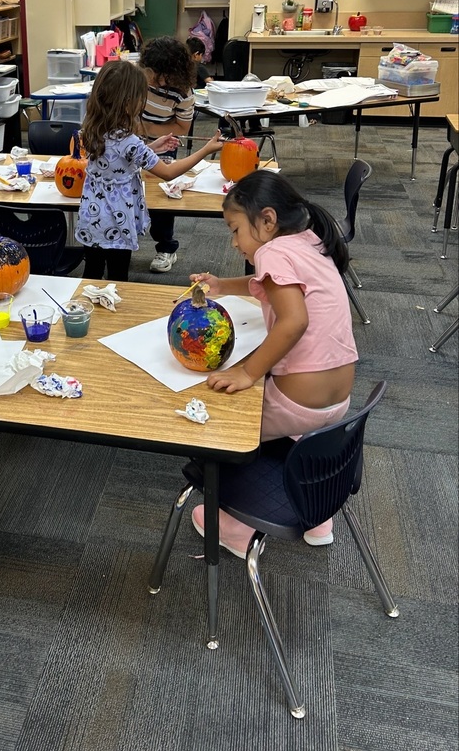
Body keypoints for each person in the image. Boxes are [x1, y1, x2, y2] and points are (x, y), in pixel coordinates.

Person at [188, 170, 358, 558]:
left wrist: (248, 372)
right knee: (290, 427)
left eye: (235, 230)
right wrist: (221, 285)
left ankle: (235, 527)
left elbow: (295, 320)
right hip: (338, 407)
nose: (234, 242)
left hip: (299, 404)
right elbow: (273, 287)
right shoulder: (308, 240)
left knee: (213, 419)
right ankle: (318, 516)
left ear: (267, 220)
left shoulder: (271, 251)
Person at [76, 60, 223, 281]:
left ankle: (86, 312)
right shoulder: (130, 141)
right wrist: (206, 149)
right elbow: (168, 172)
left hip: (93, 217)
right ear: (128, 102)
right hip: (118, 221)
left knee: (92, 273)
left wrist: (151, 148)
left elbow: (114, 163)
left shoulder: (91, 130)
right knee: (118, 277)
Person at [140, 36, 198, 273]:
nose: (152, 78)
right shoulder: (139, 79)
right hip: (129, 142)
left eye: (157, 73)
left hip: (163, 144)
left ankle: (166, 247)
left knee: (160, 198)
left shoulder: (183, 94)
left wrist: (144, 130)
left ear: (172, 72)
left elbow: (182, 128)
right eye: (149, 71)